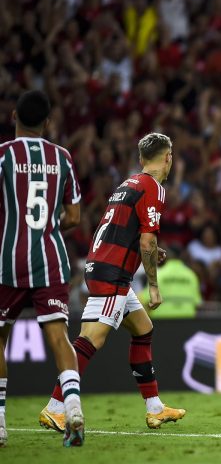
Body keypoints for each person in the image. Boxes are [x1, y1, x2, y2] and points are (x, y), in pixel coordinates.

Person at [39, 133, 185, 431]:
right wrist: (154, 287)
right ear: (168, 157)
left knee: (143, 329)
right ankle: (56, 407)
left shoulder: (127, 184)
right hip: (113, 273)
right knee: (91, 339)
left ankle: (155, 408)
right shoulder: (153, 187)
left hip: (104, 264)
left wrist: (151, 250)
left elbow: (123, 231)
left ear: (142, 158)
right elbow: (146, 240)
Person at [0, 91, 85, 447]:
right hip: (51, 258)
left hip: (8, 260)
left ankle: (0, 422)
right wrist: (48, 225)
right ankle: (73, 407)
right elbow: (75, 217)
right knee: (58, 336)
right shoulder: (62, 157)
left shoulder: (3, 155)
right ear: (48, 122)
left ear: (14, 115)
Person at [138, 247, 202, 319]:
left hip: (161, 320)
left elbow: (146, 300)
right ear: (182, 256)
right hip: (187, 319)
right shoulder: (191, 276)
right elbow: (198, 303)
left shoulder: (158, 274)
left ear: (166, 256)